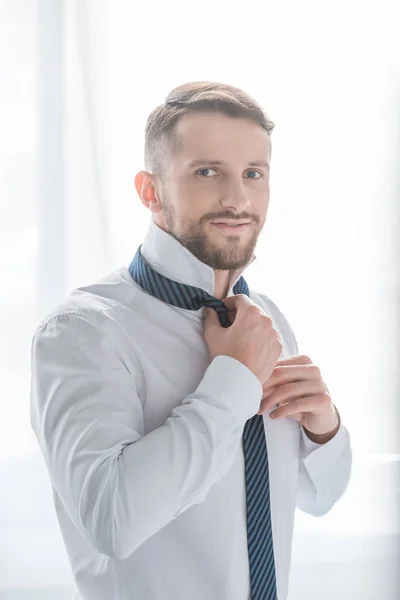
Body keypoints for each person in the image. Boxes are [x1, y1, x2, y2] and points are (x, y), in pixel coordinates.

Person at [30, 81, 352, 600]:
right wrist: (233, 381)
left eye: (253, 174)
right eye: (208, 172)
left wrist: (323, 429)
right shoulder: (83, 332)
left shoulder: (265, 320)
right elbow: (113, 521)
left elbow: (318, 497)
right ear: (150, 190)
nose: (237, 198)